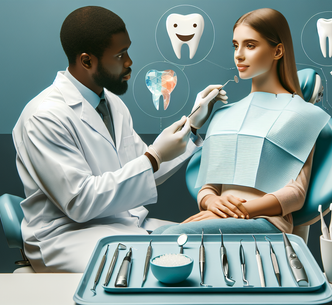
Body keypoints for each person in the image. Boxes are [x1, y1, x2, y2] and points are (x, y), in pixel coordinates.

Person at [12, 6, 226, 273]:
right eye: (120, 55)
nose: (129, 62)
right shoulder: (43, 117)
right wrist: (153, 158)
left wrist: (192, 127)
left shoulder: (111, 102)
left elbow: (142, 170)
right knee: (148, 270)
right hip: (67, 235)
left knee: (200, 247)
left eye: (128, 51)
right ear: (87, 61)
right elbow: (79, 202)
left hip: (122, 222)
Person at [153, 8, 330, 235]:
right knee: (158, 235)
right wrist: (210, 202)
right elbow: (209, 186)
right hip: (221, 219)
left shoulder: (301, 115)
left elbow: (295, 194)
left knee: (170, 236)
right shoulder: (224, 115)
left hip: (266, 222)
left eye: (250, 45)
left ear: (277, 51)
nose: (239, 54)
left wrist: (234, 212)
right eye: (236, 45)